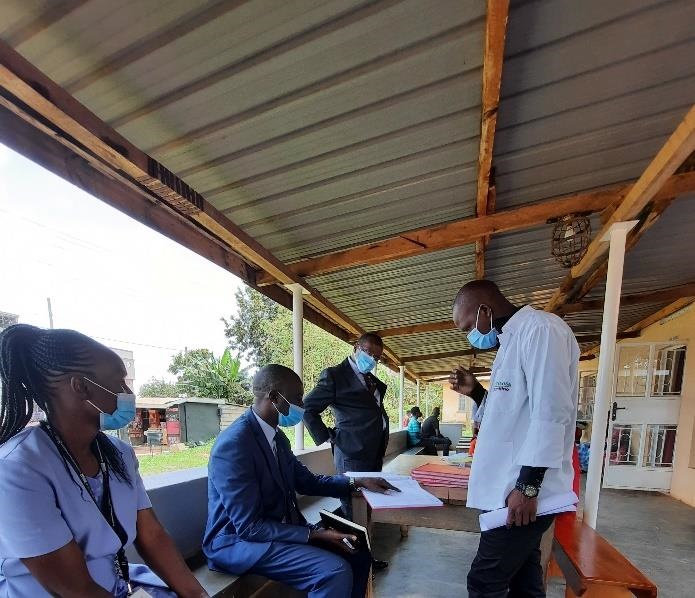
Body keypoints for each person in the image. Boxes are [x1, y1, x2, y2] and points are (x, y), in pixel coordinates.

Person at [0, 324, 208, 598]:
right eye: (119, 382)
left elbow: (152, 535)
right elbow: (75, 589)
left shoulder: (118, 453)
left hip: (117, 586)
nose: (129, 394)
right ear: (82, 387)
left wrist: (198, 595)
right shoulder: (18, 468)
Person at [204, 364, 398, 598]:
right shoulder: (235, 445)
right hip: (239, 543)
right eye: (297, 397)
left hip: (277, 529)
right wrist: (314, 534)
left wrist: (356, 482)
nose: (303, 405)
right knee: (333, 572)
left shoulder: (276, 437)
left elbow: (306, 481)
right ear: (274, 397)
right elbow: (249, 527)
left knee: (357, 551)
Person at [449, 280, 579, 598]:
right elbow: (507, 414)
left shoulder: (541, 330)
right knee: (524, 579)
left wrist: (527, 486)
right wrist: (477, 392)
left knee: (484, 581)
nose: (470, 335)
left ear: (484, 311)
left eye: (468, 326)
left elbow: (550, 412)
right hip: (509, 490)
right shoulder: (510, 343)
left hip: (524, 492)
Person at [303, 333, 389, 513]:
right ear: (356, 347)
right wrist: (327, 436)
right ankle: (354, 539)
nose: (372, 359)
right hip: (351, 454)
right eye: (368, 353)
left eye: (376, 357)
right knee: (353, 503)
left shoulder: (371, 380)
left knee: (370, 501)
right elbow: (308, 407)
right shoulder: (335, 375)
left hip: (374, 452)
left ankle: (367, 536)